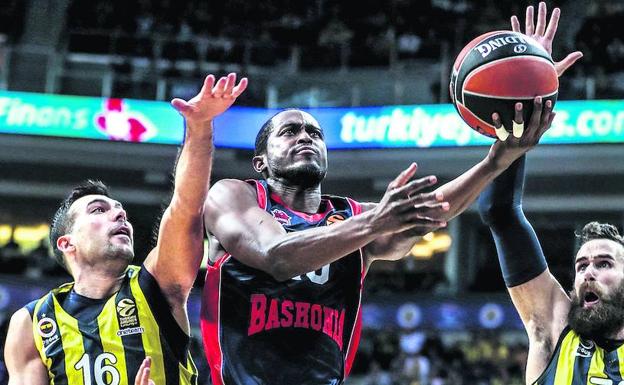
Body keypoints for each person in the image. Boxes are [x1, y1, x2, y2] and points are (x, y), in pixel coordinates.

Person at [199, 4, 579, 384]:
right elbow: (276, 257)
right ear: (260, 163)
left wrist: (500, 152)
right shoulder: (235, 196)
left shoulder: (350, 216)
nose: (305, 137)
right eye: (290, 132)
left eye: (315, 133)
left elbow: (433, 211)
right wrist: (375, 220)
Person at [3, 73, 248, 385]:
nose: (119, 216)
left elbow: (186, 207)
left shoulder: (157, 285)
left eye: (121, 211)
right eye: (99, 210)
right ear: (67, 243)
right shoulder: (32, 322)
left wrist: (200, 128)